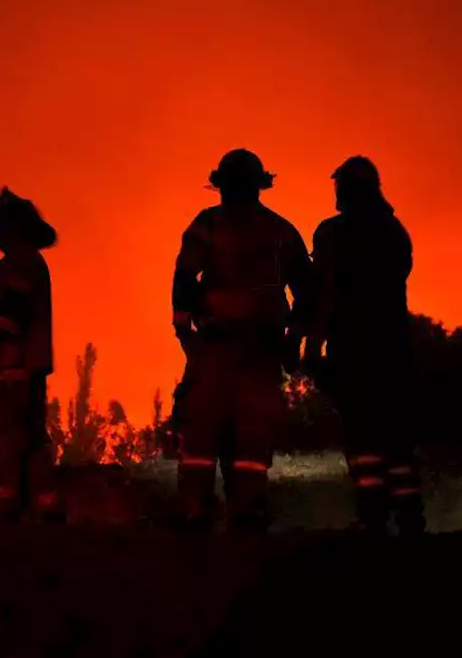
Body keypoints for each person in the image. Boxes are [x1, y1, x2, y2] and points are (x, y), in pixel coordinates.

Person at [171, 148, 313, 532]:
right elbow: (308, 292)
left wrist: (187, 338)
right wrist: (294, 341)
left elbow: (183, 280)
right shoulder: (281, 231)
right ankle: (245, 512)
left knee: (203, 436)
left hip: (220, 347)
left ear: (222, 184)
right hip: (257, 349)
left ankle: (199, 511)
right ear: (259, 184)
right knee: (249, 438)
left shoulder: (208, 225)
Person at [304, 155, 425, 536]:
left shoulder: (332, 234)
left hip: (353, 350)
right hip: (394, 349)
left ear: (345, 190)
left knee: (363, 438)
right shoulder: (394, 233)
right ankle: (409, 516)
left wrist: (311, 345)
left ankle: (373, 518)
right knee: (396, 439)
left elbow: (324, 294)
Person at [0, 187, 62, 524]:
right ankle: (41, 504)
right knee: (29, 438)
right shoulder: (25, 265)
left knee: (5, 439)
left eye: (2, 226)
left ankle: (3, 505)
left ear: (14, 229)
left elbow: (10, 318)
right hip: (17, 369)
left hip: (8, 371)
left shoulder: (19, 266)